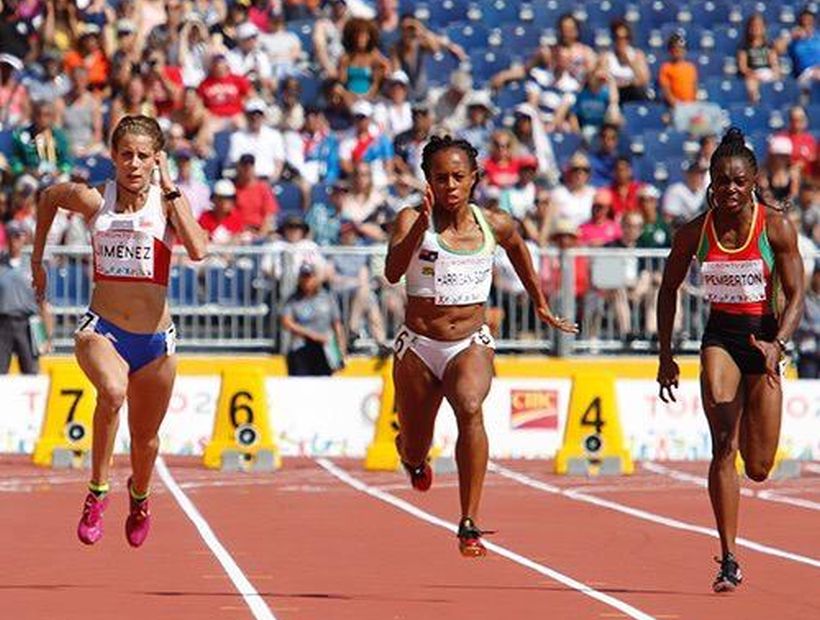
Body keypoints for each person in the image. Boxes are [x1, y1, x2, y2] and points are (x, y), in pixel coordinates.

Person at [384, 135, 577, 557]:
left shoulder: (496, 223)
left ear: (474, 179)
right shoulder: (408, 219)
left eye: (458, 177)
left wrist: (541, 304)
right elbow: (393, 272)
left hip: (469, 342)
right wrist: (421, 225)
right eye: (440, 178)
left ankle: (468, 521)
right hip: (418, 345)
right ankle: (412, 456)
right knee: (416, 444)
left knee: (470, 405)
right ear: (427, 181)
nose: (450, 185)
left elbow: (518, 249)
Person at [30, 115, 208, 548]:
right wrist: (38, 260)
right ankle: (97, 492)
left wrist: (169, 186)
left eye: (143, 156)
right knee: (111, 392)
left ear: (156, 160)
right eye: (125, 154)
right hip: (102, 331)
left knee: (145, 441)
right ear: (113, 156)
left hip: (155, 343)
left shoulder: (167, 204)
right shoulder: (96, 200)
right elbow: (50, 197)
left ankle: (140, 496)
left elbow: (200, 249)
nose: (133, 163)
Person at [656, 128, 804, 592]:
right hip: (720, 338)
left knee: (758, 466)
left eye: (739, 181)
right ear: (710, 184)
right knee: (723, 441)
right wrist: (665, 355)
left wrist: (778, 342)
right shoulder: (694, 232)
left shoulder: (776, 226)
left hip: (764, 341)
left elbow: (798, 293)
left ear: (754, 180)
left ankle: (744, 447)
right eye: (722, 182)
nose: (731, 190)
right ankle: (729, 558)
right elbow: (668, 289)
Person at [0, 221, 52, 374]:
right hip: (3, 323)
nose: (14, 240)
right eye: (10, 236)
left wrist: (47, 336)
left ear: (24, 238)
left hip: (28, 323)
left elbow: (43, 302)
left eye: (17, 236)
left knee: (31, 370)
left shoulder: (32, 266)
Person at [281, 262, 347, 376]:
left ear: (316, 278)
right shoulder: (293, 300)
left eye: (309, 277)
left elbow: (337, 324)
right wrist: (313, 335)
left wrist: (341, 350)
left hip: (325, 349)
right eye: (303, 277)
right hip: (301, 348)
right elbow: (286, 322)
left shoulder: (327, 297)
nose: (306, 281)